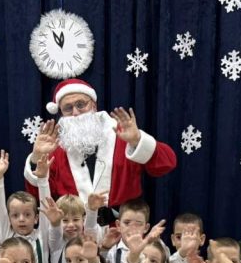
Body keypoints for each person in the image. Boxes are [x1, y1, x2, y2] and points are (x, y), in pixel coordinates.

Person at [24, 78, 177, 210]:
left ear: (94, 106)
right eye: (68, 108)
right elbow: (39, 196)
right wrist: (36, 157)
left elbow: (166, 164)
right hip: (76, 231)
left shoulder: (122, 136)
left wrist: (137, 140)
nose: (75, 112)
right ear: (61, 113)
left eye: (81, 104)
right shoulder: (57, 149)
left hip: (123, 229)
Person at [0, 150, 52, 263]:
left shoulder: (42, 235)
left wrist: (43, 180)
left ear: (36, 218)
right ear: (9, 219)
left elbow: (46, 208)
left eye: (27, 214)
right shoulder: (7, 235)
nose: (21, 219)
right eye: (15, 215)